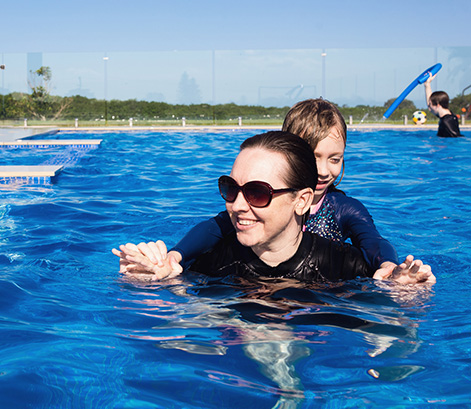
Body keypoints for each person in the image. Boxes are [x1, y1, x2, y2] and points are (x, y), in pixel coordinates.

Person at [113, 130, 435, 284]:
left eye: (257, 193)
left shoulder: (348, 268)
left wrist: (404, 294)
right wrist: (153, 279)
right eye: (230, 188)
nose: (237, 205)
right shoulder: (212, 262)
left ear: (302, 200)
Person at [166, 99, 407, 279]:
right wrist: (176, 256)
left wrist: (388, 265)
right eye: (313, 158)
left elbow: (373, 240)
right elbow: (213, 228)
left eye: (335, 159)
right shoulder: (254, 203)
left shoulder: (342, 208)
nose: (323, 171)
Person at [424, 73, 462, 137]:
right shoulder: (449, 116)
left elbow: (455, 136)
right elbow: (430, 103)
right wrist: (427, 85)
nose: (429, 107)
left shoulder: (446, 121)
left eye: (430, 105)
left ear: (438, 105)